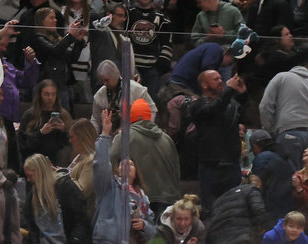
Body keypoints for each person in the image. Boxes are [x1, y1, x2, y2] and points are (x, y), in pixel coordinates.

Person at [93, 109, 155, 244]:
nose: (127, 165)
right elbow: (100, 165)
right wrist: (105, 135)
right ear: (117, 170)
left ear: (136, 171)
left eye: (131, 164)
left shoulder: (143, 197)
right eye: (123, 164)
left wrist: (144, 226)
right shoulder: (108, 186)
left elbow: (153, 230)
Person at [110, 98, 181, 219]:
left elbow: (111, 166)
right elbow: (176, 172)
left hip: (139, 201)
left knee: (145, 230)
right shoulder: (167, 139)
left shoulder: (123, 137)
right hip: (168, 199)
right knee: (161, 232)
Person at [187, 69, 247, 209]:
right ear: (204, 85)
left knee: (234, 207)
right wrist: (229, 90)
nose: (220, 81)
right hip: (211, 167)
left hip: (231, 165)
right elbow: (214, 110)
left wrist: (242, 94)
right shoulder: (197, 105)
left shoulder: (227, 103)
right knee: (211, 208)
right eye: (215, 79)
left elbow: (235, 110)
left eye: (221, 78)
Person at [259, 62, 308, 168]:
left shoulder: (281, 78)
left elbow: (265, 106)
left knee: (289, 176)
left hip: (287, 134)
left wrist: (270, 129)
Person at [22, 152, 91, 244]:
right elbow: (33, 230)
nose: (28, 180)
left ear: (40, 173)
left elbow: (82, 221)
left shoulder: (66, 188)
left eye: (30, 176)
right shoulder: (32, 196)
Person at [205, 175, 269, 244]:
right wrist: (264, 226)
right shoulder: (252, 190)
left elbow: (211, 223)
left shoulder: (220, 199)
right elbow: (258, 209)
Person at [30, 8, 86, 104]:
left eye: (55, 18)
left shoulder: (57, 39)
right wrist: (70, 35)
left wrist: (78, 41)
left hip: (63, 86)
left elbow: (71, 59)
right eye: (51, 18)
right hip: (47, 88)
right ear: (42, 21)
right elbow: (55, 51)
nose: (55, 20)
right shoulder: (38, 39)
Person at [90, 60, 157, 132]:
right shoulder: (99, 95)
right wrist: (93, 137)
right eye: (102, 81)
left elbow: (152, 110)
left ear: (115, 76)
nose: (105, 84)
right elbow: (95, 120)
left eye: (107, 80)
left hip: (135, 133)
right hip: (109, 135)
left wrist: (144, 131)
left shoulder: (136, 89)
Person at [20, 79, 74, 167]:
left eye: (53, 94)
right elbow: (23, 144)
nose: (50, 98)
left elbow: (70, 143)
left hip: (58, 162)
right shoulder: (30, 115)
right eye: (46, 94)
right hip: (36, 162)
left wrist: (63, 131)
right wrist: (41, 133)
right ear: (40, 95)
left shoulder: (64, 115)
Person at [145, 194, 209, 244]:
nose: (182, 223)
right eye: (179, 219)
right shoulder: (161, 233)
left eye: (186, 219)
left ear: (192, 219)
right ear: (172, 218)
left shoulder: (198, 230)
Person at [127, 0, 172, 101]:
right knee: (130, 100)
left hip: (151, 69)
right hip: (131, 67)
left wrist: (159, 67)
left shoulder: (163, 19)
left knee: (150, 101)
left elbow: (167, 44)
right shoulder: (128, 14)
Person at [248, 130, 294, 226]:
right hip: (286, 207)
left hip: (271, 209)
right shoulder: (283, 156)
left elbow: (256, 185)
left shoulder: (262, 157)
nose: (254, 153)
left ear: (255, 146)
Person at [68, 118, 98, 218]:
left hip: (85, 216)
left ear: (82, 137)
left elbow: (82, 191)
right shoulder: (79, 156)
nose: (70, 140)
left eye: (72, 137)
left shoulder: (91, 160)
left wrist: (63, 177)